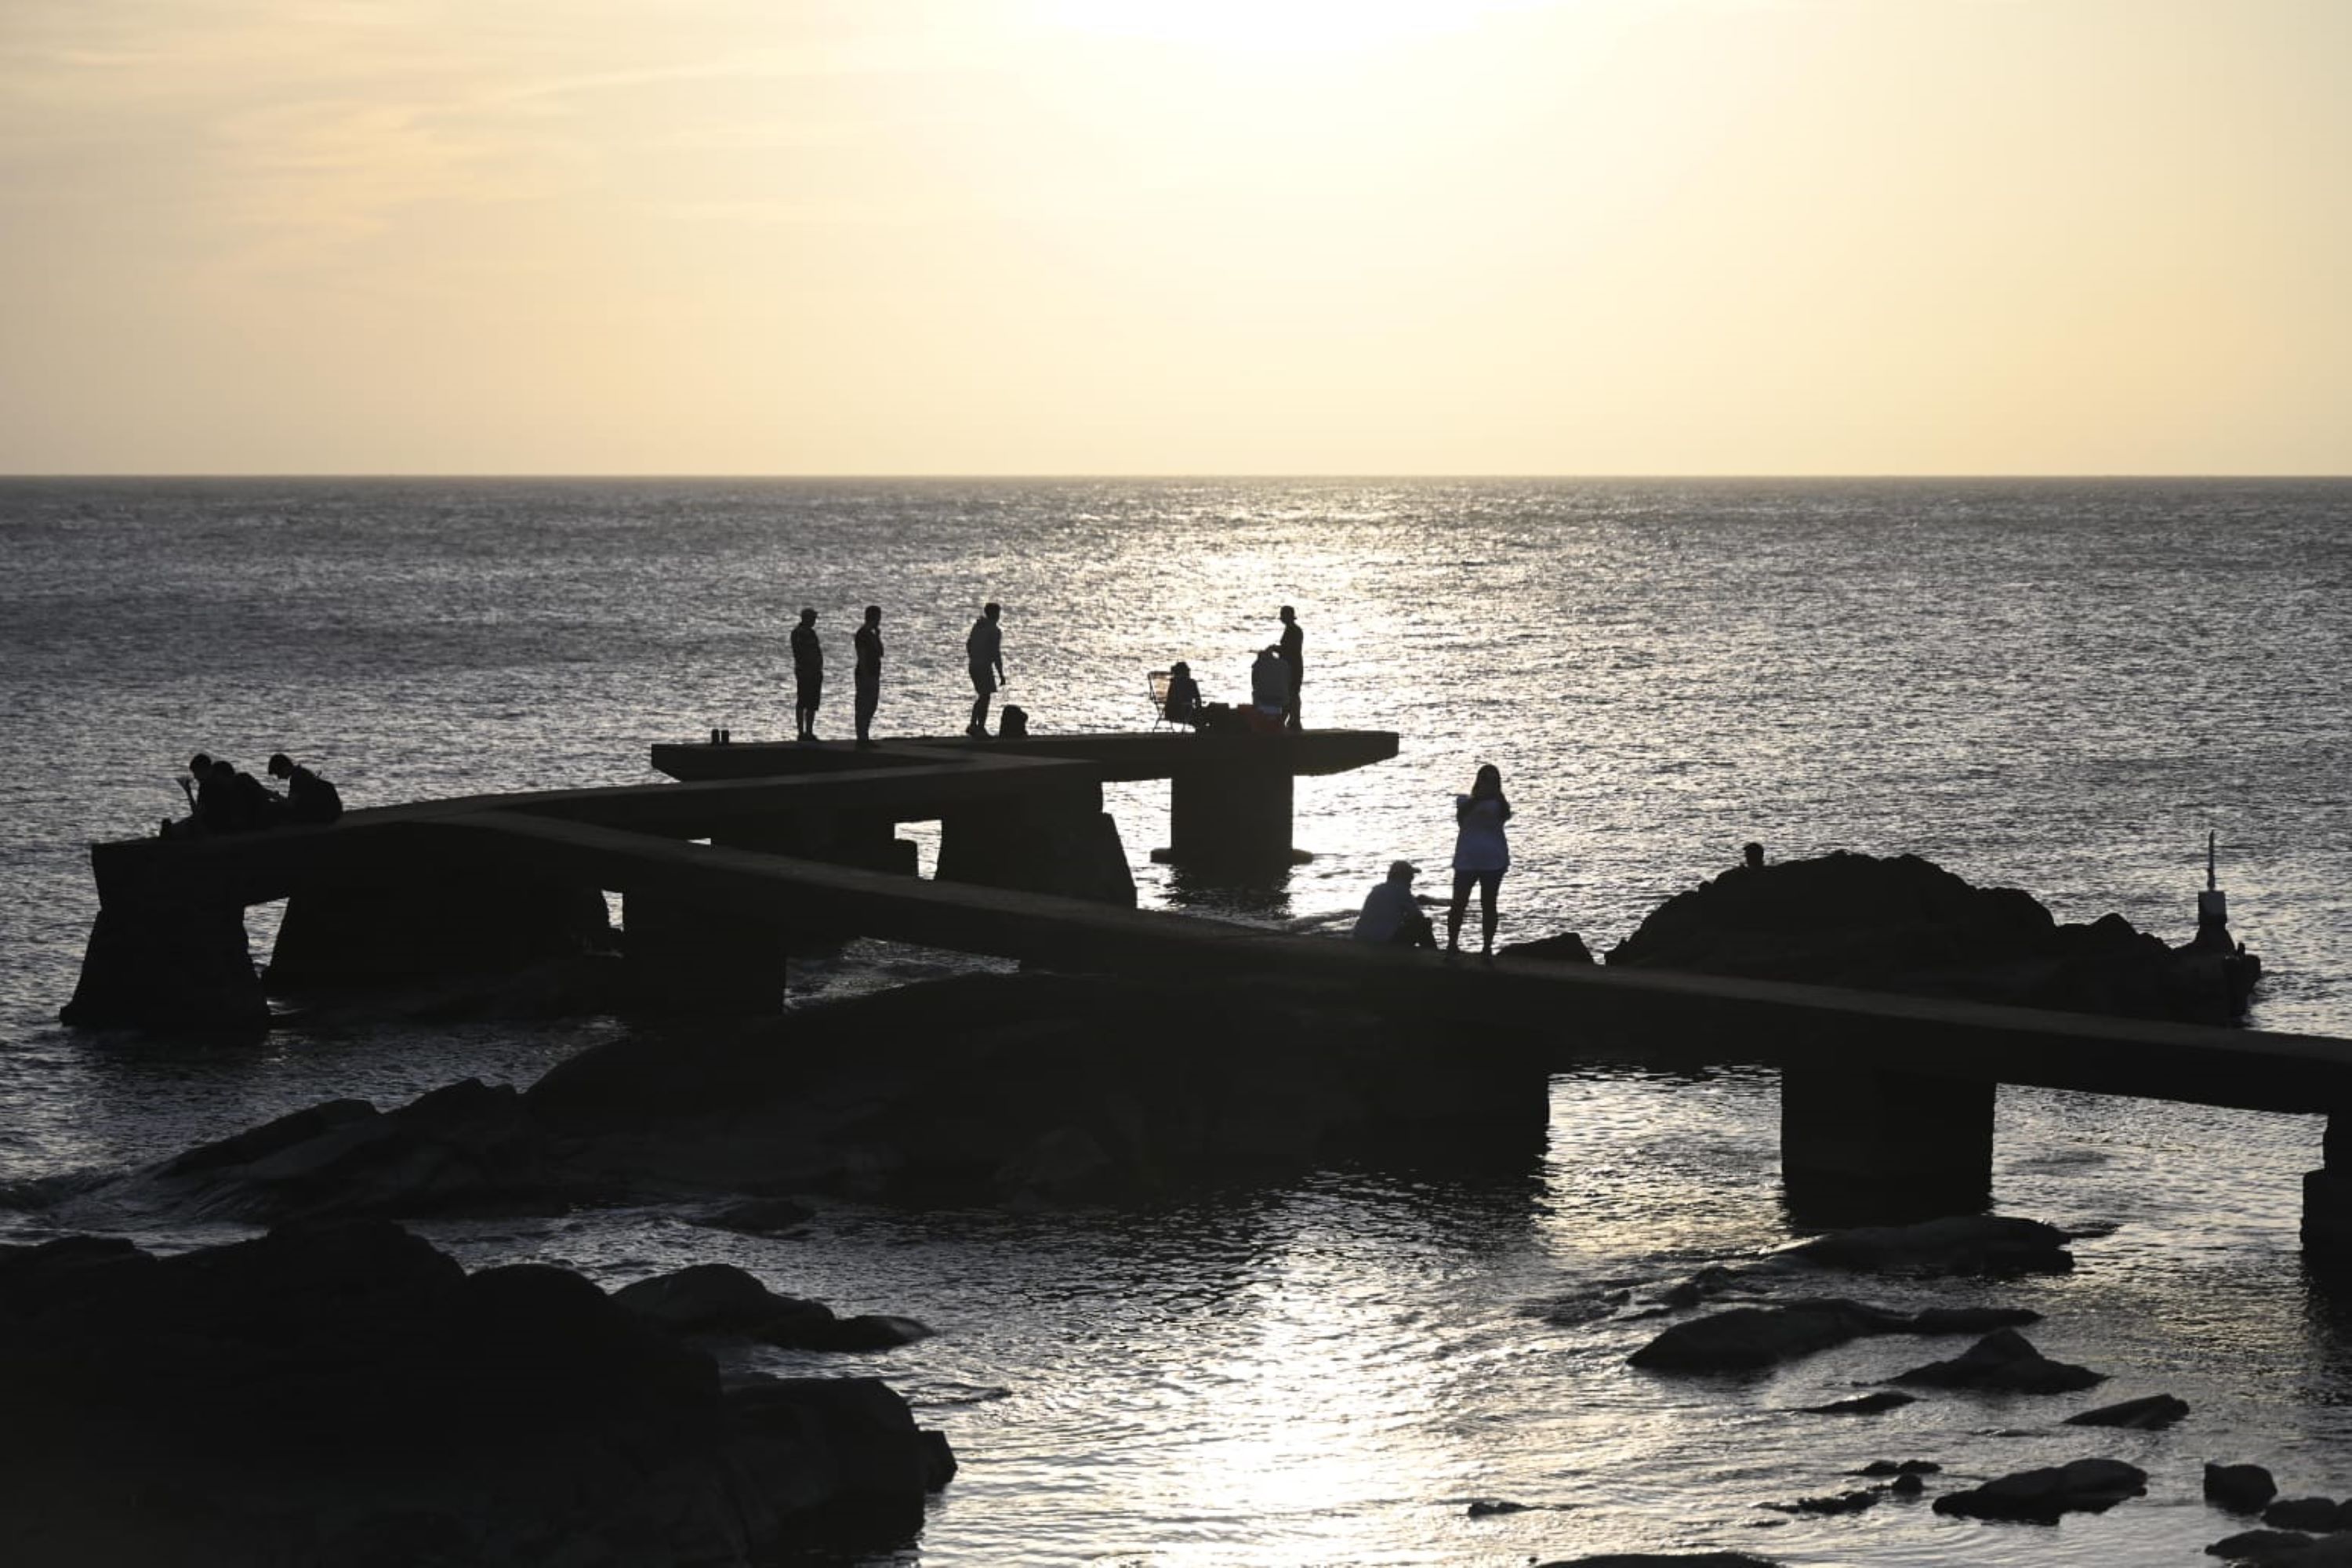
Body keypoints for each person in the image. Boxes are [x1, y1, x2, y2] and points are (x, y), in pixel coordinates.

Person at [1448, 763, 1512, 962]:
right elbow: (1462, 814)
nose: (1489, 785)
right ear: (1478, 782)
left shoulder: (1500, 806)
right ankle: (1452, 945)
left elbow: (1504, 813)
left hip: (1493, 862)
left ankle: (1486, 948)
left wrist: (1490, 796)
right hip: (1466, 861)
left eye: (1494, 781)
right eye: (1486, 780)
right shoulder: (1465, 802)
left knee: (1489, 905)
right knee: (1458, 904)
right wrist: (1479, 798)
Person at [1353, 861, 1437, 949]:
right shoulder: (1402, 891)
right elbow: (1418, 916)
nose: (1411, 879)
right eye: (1410, 876)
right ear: (1403, 876)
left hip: (1361, 936)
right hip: (1382, 941)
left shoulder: (1377, 889)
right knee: (1423, 924)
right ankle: (1434, 955)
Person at [268, 752, 343, 824]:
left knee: (275, 808)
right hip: (330, 813)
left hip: (322, 816)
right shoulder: (303, 772)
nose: (278, 777)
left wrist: (275, 796)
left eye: (278, 773)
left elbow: (290, 804)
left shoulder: (297, 778)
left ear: (284, 768)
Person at [967, 602, 1005, 737]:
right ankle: (980, 727)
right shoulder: (994, 631)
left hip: (973, 665)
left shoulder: (978, 627)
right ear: (995, 615)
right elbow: (996, 653)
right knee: (985, 696)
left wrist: (973, 657)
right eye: (998, 614)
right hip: (984, 666)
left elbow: (969, 644)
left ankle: (973, 725)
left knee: (982, 695)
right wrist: (1001, 674)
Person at [853, 604, 884, 748]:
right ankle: (861, 736)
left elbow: (881, 652)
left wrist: (878, 637)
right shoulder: (862, 634)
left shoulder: (871, 634)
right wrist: (865, 673)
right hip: (866, 674)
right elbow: (862, 655)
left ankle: (865, 734)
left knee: (871, 704)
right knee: (863, 705)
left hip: (874, 673)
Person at [790, 608, 823, 742]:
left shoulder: (810, 633)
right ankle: (802, 732)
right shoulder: (799, 633)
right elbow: (802, 653)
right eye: (813, 618)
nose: (814, 621)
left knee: (812, 703)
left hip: (814, 671)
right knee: (803, 701)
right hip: (805, 671)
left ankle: (809, 732)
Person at [1277, 605, 1304, 731]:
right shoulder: (1292, 630)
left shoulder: (1294, 631)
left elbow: (1289, 649)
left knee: (1292, 694)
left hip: (1293, 667)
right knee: (1291, 694)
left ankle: (1294, 721)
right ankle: (1292, 721)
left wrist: (1276, 649)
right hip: (1291, 667)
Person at [1250, 645, 1287, 727]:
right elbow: (1287, 681)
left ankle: (1258, 723)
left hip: (1262, 698)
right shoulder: (1283, 664)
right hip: (1280, 699)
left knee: (1255, 693)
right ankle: (1281, 723)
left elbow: (1254, 684)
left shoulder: (1258, 666)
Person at [1163, 661, 1203, 728]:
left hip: (1170, 713)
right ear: (1185, 672)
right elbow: (1198, 700)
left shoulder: (1173, 683)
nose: (1189, 672)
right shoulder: (1191, 683)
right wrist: (1199, 708)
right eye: (1188, 670)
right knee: (1211, 711)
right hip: (1183, 713)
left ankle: (1201, 729)